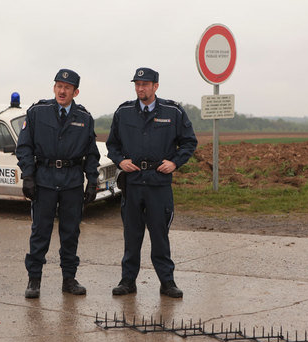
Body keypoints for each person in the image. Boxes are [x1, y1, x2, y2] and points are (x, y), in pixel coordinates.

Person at [106, 67, 198, 298]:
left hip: (159, 184)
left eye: (145, 84)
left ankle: (167, 282)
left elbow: (189, 142)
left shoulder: (173, 112)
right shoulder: (124, 112)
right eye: (137, 84)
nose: (140, 88)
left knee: (160, 236)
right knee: (132, 236)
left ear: (155, 86)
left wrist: (175, 163)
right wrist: (120, 161)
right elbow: (112, 145)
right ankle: (128, 281)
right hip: (133, 182)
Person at [16, 68, 100, 299]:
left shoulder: (84, 118)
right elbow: (24, 147)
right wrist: (28, 176)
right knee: (40, 232)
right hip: (44, 180)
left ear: (76, 92)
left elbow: (92, 154)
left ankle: (69, 279)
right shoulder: (37, 112)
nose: (62, 91)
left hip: (72, 182)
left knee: (70, 233)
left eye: (67, 88)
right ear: (54, 88)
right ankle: (34, 280)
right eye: (59, 86)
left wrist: (92, 181)